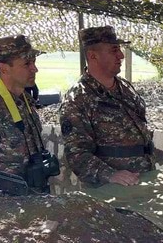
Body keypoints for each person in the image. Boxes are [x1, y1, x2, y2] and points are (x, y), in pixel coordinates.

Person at [0, 35, 57, 195]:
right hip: (5, 210)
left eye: (34, 62)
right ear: (4, 68)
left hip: (35, 201)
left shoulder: (25, 100)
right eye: (27, 64)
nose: (34, 69)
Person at [59, 25, 153, 187]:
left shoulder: (125, 88)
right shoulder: (78, 100)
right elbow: (77, 155)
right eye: (114, 50)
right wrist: (110, 175)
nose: (121, 55)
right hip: (108, 191)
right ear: (92, 56)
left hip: (142, 181)